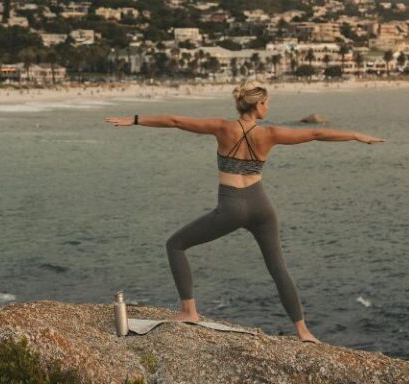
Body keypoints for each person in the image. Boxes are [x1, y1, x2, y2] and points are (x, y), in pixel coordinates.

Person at [105, 80, 385, 344]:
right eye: (267, 102)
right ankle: (303, 331)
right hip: (262, 206)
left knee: (175, 245)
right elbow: (315, 133)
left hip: (231, 207)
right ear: (258, 105)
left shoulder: (222, 128)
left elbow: (176, 121)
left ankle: (189, 310)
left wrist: (135, 120)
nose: (269, 107)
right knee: (278, 268)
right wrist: (355, 136)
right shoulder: (270, 134)